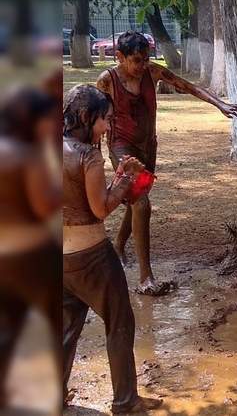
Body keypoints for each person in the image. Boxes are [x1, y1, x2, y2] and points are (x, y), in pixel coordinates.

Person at [96, 30, 237, 295]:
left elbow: (188, 86)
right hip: (122, 149)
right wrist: (93, 152)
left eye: (146, 59)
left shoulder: (152, 72)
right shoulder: (107, 81)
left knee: (136, 201)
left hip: (147, 147)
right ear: (119, 57)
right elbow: (95, 117)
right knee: (141, 202)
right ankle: (146, 277)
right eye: (137, 60)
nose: (143, 66)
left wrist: (219, 103)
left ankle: (118, 246)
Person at [62, 84, 162, 413]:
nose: (107, 127)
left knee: (66, 327)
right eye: (104, 120)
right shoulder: (87, 155)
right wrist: (125, 180)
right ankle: (125, 401)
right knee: (120, 322)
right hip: (92, 257)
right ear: (85, 117)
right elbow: (101, 208)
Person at [0, 87, 61, 411]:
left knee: (7, 328)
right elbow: (42, 207)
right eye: (47, 120)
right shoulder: (29, 156)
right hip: (30, 257)